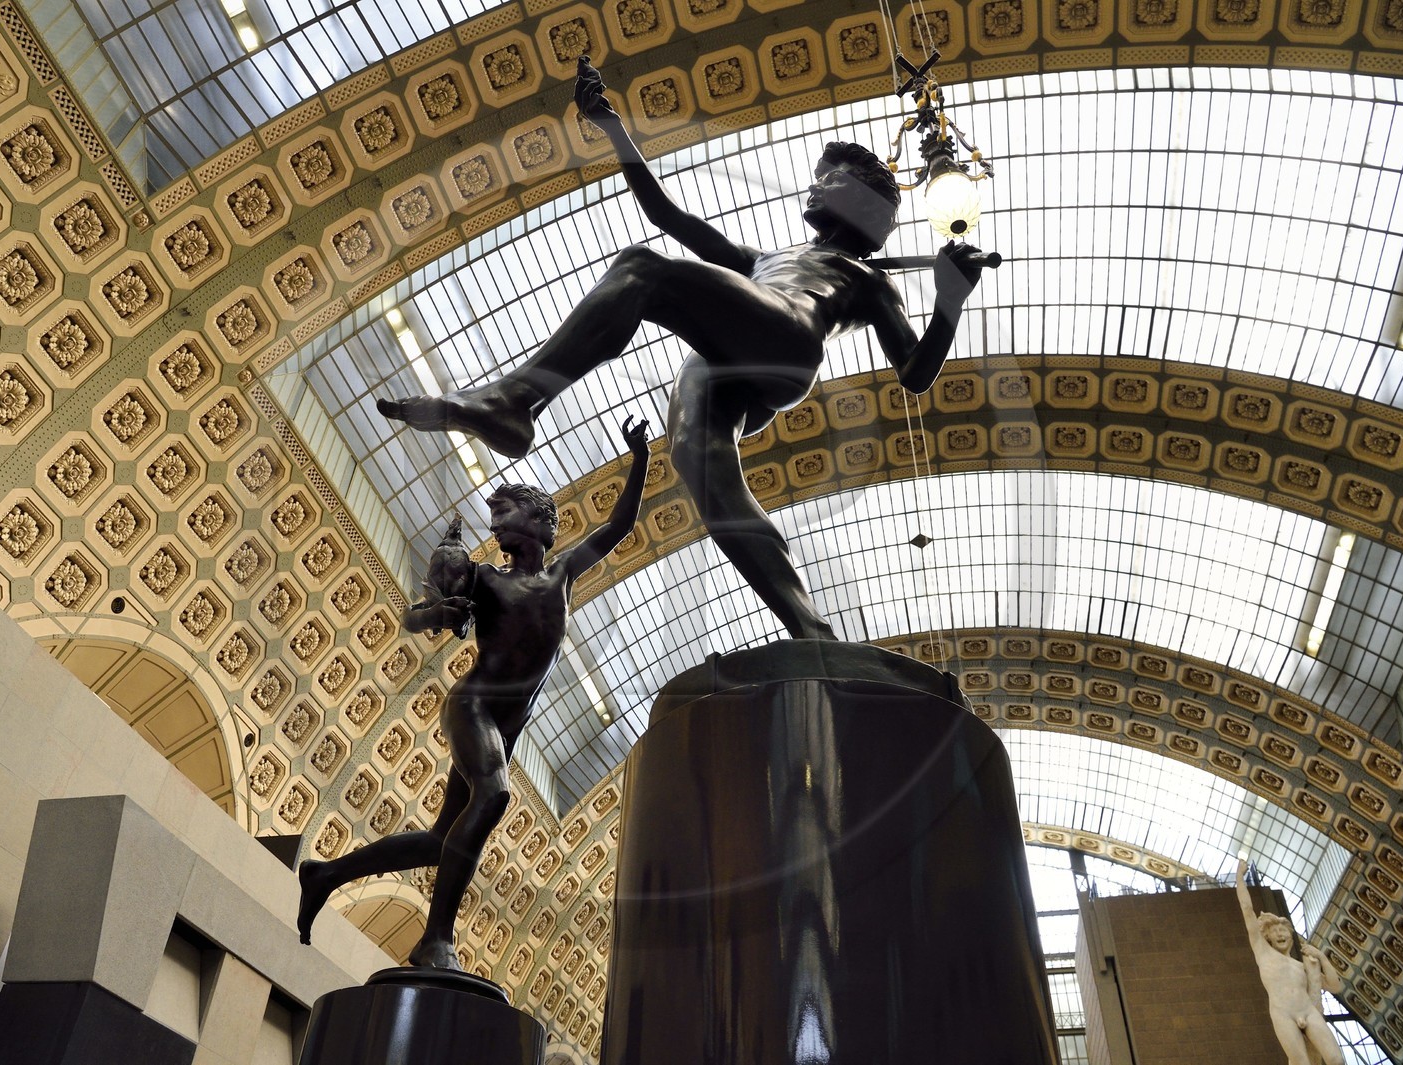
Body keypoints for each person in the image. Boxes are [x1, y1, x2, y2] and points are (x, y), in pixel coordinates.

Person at [380, 57, 987, 641]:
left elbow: (914, 372)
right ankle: (811, 628)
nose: (816, 184)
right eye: (818, 174)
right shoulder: (766, 260)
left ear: (864, 203)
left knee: (643, 270)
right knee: (714, 489)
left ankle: (516, 400)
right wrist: (613, 128)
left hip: (786, 338)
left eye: (832, 178)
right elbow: (664, 212)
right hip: (728, 363)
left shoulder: (871, 282)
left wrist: (949, 301)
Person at [297, 415, 652, 967]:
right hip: (474, 708)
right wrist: (438, 610)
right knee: (494, 795)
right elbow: (417, 619)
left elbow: (619, 526)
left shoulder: (561, 575)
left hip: (508, 727)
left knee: (444, 838)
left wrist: (640, 459)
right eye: (492, 515)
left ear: (540, 521)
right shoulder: (485, 577)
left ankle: (326, 874)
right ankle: (435, 939)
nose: (496, 522)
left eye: (506, 512)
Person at [1235, 859, 1347, 1065]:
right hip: (1283, 1014)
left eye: (1283, 931)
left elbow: (1336, 985)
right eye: (1275, 931)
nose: (1280, 935)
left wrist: (1321, 957)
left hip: (1307, 1010)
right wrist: (1239, 877)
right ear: (1267, 937)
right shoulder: (1263, 953)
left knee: (1336, 1060)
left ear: (1290, 934)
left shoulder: (1303, 966)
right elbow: (1246, 909)